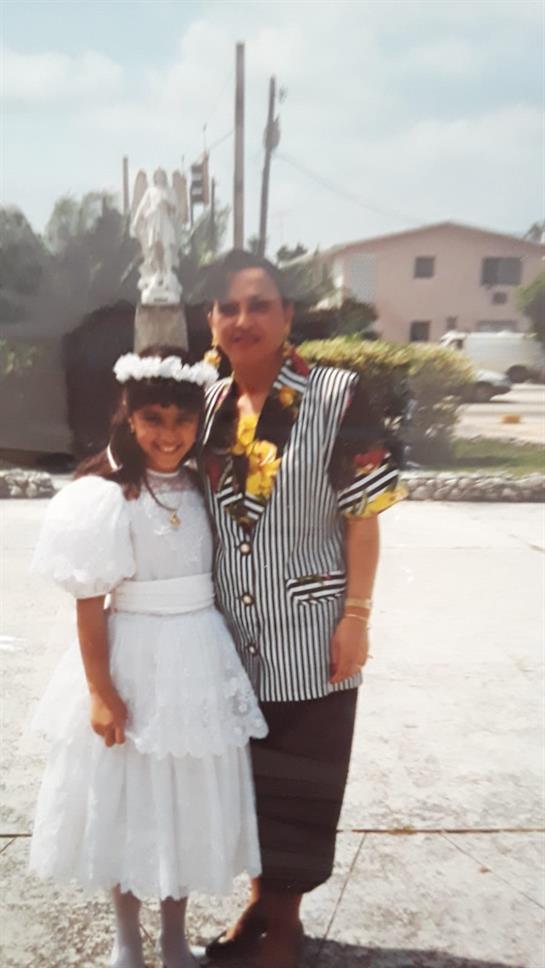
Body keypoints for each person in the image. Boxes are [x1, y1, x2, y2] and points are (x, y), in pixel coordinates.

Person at [29, 345, 267, 968]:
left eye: (182, 420)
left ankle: (175, 938)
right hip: (132, 651)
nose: (169, 434)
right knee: (128, 798)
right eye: (153, 419)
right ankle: (128, 940)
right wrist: (101, 690)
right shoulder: (105, 496)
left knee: (184, 798)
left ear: (199, 423)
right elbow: (88, 601)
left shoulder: (205, 485)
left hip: (197, 654)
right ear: (128, 420)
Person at [200, 250, 404, 968]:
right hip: (226, 636)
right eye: (228, 307)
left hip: (312, 631)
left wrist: (357, 614)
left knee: (304, 780)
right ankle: (262, 901)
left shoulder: (336, 395)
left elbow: (364, 514)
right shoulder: (208, 406)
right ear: (211, 320)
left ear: (287, 316)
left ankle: (284, 927)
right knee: (246, 780)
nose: (242, 319)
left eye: (259, 304)